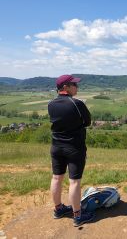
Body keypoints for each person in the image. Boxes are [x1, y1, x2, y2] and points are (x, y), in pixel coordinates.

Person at [48, 74, 95, 227]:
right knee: (74, 181)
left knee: (56, 178)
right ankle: (78, 215)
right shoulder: (76, 103)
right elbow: (87, 122)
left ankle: (58, 209)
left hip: (56, 147)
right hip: (74, 147)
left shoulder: (51, 104)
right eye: (74, 85)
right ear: (66, 87)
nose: (77, 87)